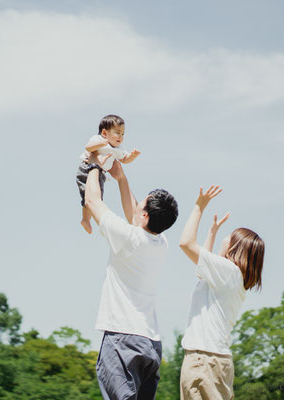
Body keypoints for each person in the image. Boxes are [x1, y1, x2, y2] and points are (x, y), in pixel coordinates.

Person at [83, 157, 178, 400]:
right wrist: (121, 178)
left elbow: (92, 200)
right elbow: (135, 216)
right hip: (150, 343)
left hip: (122, 339)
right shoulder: (161, 242)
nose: (136, 206)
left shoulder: (128, 238)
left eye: (141, 204)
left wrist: (94, 164)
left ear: (145, 215)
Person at [178, 186, 265, 400]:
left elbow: (186, 244)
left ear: (236, 247)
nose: (225, 238)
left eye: (229, 236)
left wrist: (199, 206)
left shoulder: (228, 273)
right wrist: (212, 233)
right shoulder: (232, 278)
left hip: (203, 360)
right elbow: (203, 273)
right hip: (216, 361)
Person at [76, 114, 141, 234]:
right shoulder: (99, 140)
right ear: (105, 133)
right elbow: (88, 147)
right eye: (117, 133)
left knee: (97, 197)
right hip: (87, 168)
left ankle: (87, 219)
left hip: (100, 173)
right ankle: (85, 219)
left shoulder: (119, 149)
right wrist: (101, 144)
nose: (120, 137)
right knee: (88, 195)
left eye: (123, 134)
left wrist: (132, 156)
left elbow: (124, 159)